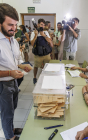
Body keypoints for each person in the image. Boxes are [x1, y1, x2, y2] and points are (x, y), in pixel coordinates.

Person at [0, 3, 30, 140]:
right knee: (7, 113)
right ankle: (10, 137)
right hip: (3, 84)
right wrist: (10, 73)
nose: (14, 29)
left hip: (14, 82)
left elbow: (16, 61)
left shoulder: (13, 40)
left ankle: (11, 129)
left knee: (13, 109)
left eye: (16, 25)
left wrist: (23, 66)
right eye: (10, 25)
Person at [31, 18, 53, 84]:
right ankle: (34, 77)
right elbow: (32, 44)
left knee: (48, 65)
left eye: (43, 25)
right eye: (41, 24)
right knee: (36, 66)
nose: (42, 26)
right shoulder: (33, 33)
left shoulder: (45, 32)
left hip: (46, 53)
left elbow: (49, 41)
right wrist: (35, 35)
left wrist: (43, 35)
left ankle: (47, 76)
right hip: (38, 53)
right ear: (38, 24)